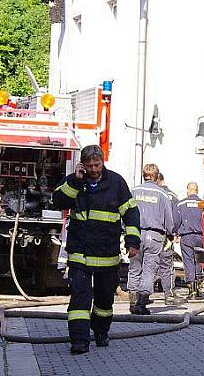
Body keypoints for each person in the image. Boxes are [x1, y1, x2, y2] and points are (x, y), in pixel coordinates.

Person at [52, 145, 140, 354]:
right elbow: (58, 201)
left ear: (103, 161)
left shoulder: (116, 182)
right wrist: (75, 181)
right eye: (89, 165)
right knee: (80, 299)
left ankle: (100, 332)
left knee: (103, 300)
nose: (93, 169)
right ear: (83, 164)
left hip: (106, 254)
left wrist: (132, 241)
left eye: (96, 164)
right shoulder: (75, 181)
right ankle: (80, 341)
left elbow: (130, 213)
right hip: (80, 253)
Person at [126, 163, 174, 315]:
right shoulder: (162, 194)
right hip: (154, 236)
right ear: (157, 177)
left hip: (135, 233)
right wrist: (171, 233)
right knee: (149, 269)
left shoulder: (133, 191)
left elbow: (125, 211)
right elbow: (169, 219)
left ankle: (132, 300)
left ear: (143, 175)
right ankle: (142, 302)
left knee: (134, 267)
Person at [156, 173, 181, 305]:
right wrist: (173, 232)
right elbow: (176, 217)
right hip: (165, 235)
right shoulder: (171, 196)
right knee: (166, 264)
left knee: (147, 264)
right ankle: (169, 295)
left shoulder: (146, 193)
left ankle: (141, 296)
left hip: (147, 234)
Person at [177, 182, 204, 298]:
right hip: (199, 236)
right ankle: (198, 287)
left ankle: (192, 290)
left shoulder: (181, 203)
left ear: (187, 190)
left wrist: (175, 232)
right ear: (197, 191)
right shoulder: (202, 204)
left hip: (186, 236)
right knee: (198, 260)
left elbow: (176, 220)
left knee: (188, 261)